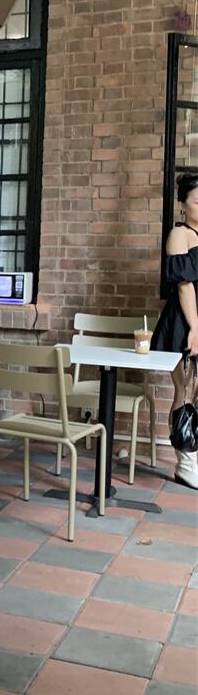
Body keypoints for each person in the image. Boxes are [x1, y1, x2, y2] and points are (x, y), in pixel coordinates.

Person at [151, 171, 198, 488]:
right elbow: (184, 285)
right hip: (185, 320)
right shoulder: (180, 234)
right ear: (183, 204)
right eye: (197, 201)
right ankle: (186, 462)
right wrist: (195, 327)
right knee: (184, 390)